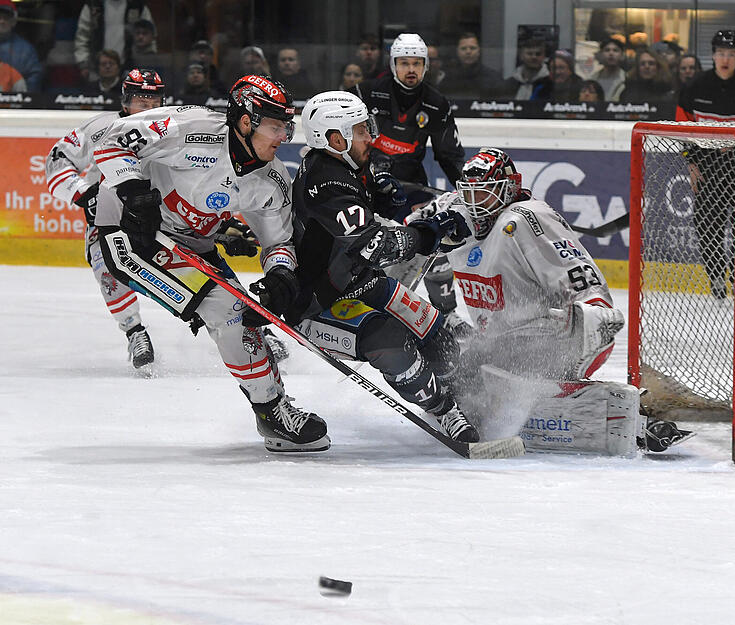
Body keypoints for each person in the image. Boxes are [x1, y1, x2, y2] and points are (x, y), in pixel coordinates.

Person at [91, 74, 329, 453]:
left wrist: (280, 275)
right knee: (229, 312)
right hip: (132, 234)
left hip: (191, 245)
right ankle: (272, 415)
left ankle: (275, 404)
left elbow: (278, 242)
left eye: (287, 125)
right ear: (246, 121)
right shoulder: (191, 129)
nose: (284, 135)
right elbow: (109, 140)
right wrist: (134, 191)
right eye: (275, 125)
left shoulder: (272, 181)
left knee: (249, 317)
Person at [414, 148, 692, 454]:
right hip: (500, 341)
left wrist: (595, 313)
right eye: (469, 195)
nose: (475, 205)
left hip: (558, 334)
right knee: (455, 380)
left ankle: (639, 423)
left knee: (480, 376)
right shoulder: (456, 211)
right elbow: (413, 238)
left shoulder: (526, 219)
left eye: (485, 195)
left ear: (509, 189)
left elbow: (578, 275)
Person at [289, 90, 479, 443]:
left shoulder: (344, 163)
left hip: (355, 281)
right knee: (390, 341)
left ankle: (464, 396)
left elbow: (355, 227)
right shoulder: (326, 182)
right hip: (317, 304)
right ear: (335, 138)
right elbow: (376, 246)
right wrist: (426, 234)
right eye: (361, 130)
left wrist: (377, 194)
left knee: (436, 330)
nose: (370, 137)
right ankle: (444, 409)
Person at [45, 69, 166, 370]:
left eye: (154, 102)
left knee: (200, 272)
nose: (149, 109)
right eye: (142, 101)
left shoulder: (176, 128)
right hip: (111, 217)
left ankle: (248, 332)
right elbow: (58, 158)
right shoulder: (101, 127)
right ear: (126, 100)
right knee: (106, 267)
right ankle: (135, 331)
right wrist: (84, 194)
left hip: (165, 218)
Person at [351, 32, 467, 332]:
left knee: (433, 240)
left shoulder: (436, 104)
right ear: (393, 65)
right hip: (365, 183)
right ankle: (359, 305)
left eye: (417, 63)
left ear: (426, 66)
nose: (411, 69)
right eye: (404, 63)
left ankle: (447, 312)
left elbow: (450, 156)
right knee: (361, 243)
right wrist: (370, 167)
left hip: (410, 188)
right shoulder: (365, 93)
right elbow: (343, 138)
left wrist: (467, 190)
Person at [676, 30, 735, 299]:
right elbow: (683, 128)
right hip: (706, 169)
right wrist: (691, 164)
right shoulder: (695, 87)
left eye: (731, 54)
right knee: (708, 225)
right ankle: (716, 277)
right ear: (713, 55)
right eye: (720, 53)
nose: (725, 59)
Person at [74, 0, 153, 82]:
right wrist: (83, 63)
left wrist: (145, 63)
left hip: (130, 66)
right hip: (97, 67)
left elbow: (149, 37)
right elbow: (82, 36)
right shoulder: (94, 5)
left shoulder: (137, 6)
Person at [438, 32, 503, 100]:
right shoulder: (449, 78)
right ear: (458, 52)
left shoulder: (492, 78)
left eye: (472, 48)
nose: (468, 52)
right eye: (463, 48)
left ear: (479, 51)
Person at [0, 0, 42, 91]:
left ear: (13, 21)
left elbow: (33, 81)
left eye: (6, 17)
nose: (2, 21)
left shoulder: (26, 50)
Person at [593, 37, 625, 102]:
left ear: (622, 55)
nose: (611, 54)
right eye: (607, 50)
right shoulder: (592, 79)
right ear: (601, 54)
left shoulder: (627, 80)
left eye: (615, 50)